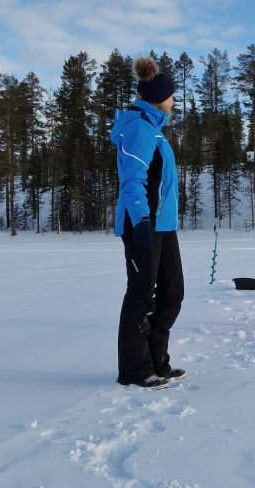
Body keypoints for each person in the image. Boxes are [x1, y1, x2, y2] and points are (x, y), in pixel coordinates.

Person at [109, 56, 185, 389]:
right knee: (142, 295)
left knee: (172, 294)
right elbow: (133, 178)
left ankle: (157, 361)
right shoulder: (140, 127)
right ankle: (134, 369)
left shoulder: (154, 130)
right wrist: (140, 219)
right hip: (144, 224)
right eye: (171, 95)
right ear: (158, 97)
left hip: (164, 225)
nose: (175, 100)